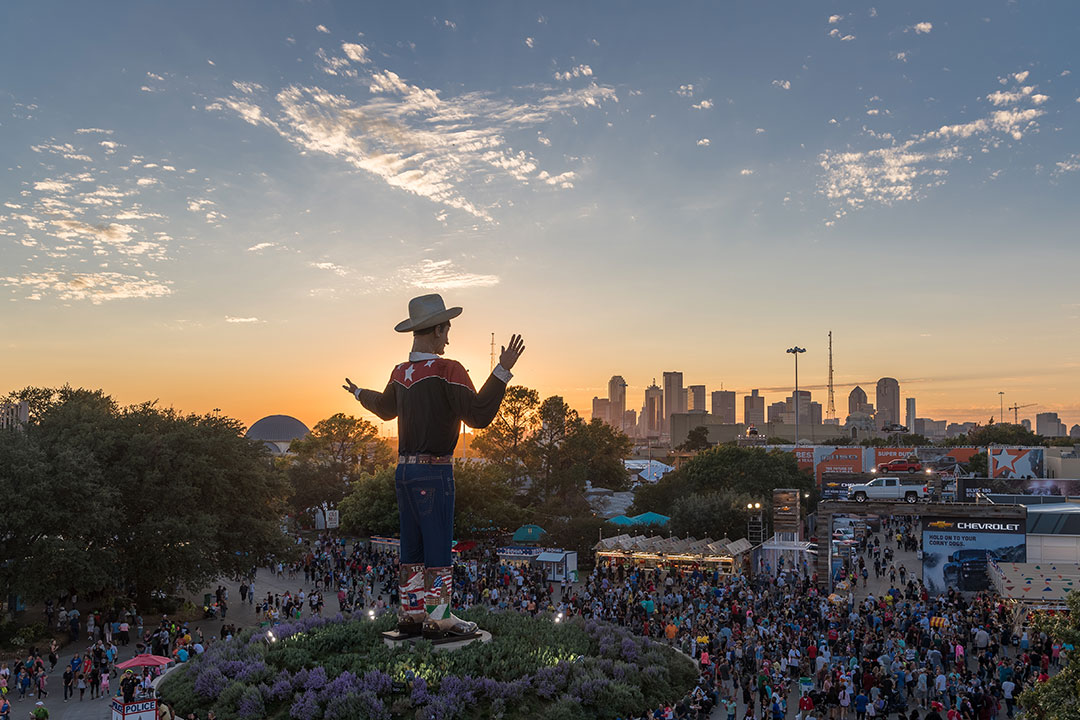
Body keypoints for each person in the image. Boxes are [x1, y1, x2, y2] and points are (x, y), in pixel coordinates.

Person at [345, 293, 524, 639]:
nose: (448, 338)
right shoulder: (447, 369)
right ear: (435, 329)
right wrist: (503, 370)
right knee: (439, 543)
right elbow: (479, 414)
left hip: (403, 473)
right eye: (446, 330)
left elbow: (384, 408)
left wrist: (357, 393)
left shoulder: (400, 373)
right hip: (435, 471)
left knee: (411, 545)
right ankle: (439, 618)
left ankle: (411, 614)